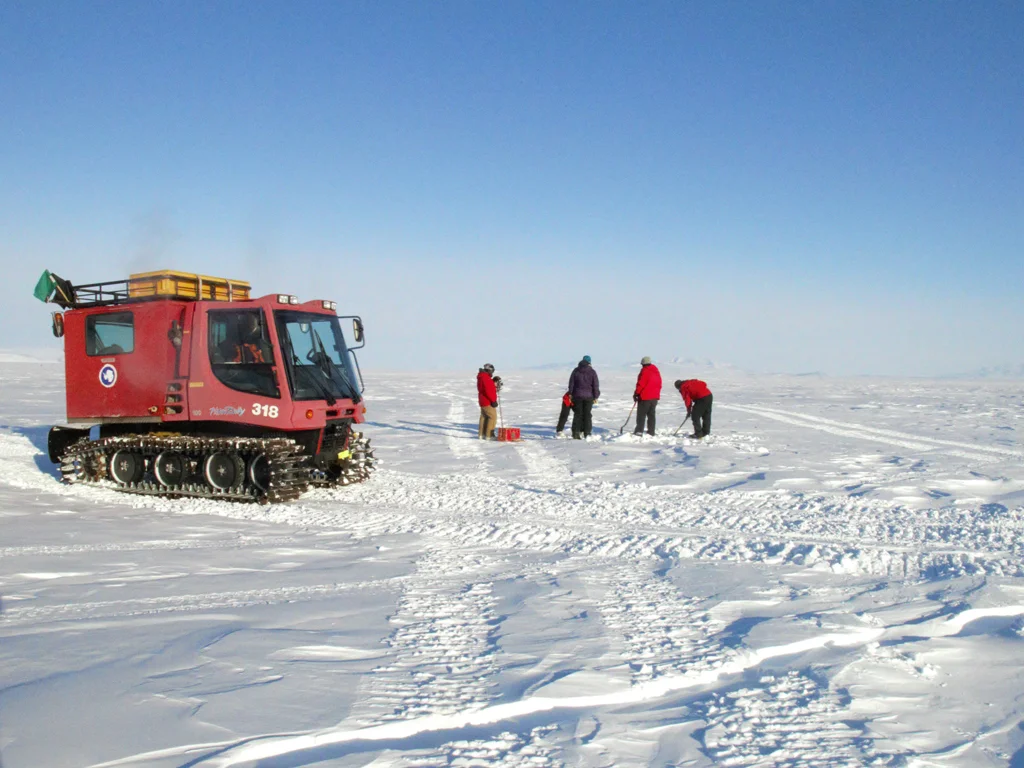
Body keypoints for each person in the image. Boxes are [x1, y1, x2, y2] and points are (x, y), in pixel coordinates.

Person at [567, 355, 600, 439]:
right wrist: (596, 396)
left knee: (577, 414)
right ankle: (587, 432)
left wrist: (570, 393)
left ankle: (576, 432)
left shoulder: (576, 370)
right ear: (589, 362)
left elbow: (571, 383)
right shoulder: (592, 372)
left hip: (577, 396)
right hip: (589, 397)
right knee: (587, 415)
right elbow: (595, 385)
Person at [633, 356, 662, 436]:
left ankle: (639, 431)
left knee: (641, 415)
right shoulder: (656, 371)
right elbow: (659, 384)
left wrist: (636, 393)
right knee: (651, 415)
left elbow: (641, 383)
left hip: (645, 397)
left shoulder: (645, 371)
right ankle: (651, 432)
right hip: (654, 398)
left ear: (643, 364)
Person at [477, 363, 499, 439]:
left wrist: (492, 381)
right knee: (492, 417)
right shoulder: (486, 378)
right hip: (487, 401)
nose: (492, 373)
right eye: (492, 371)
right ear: (489, 370)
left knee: (484, 417)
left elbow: (486, 387)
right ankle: (489, 435)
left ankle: (481, 434)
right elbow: (488, 390)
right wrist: (493, 401)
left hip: (482, 400)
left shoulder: (482, 377)